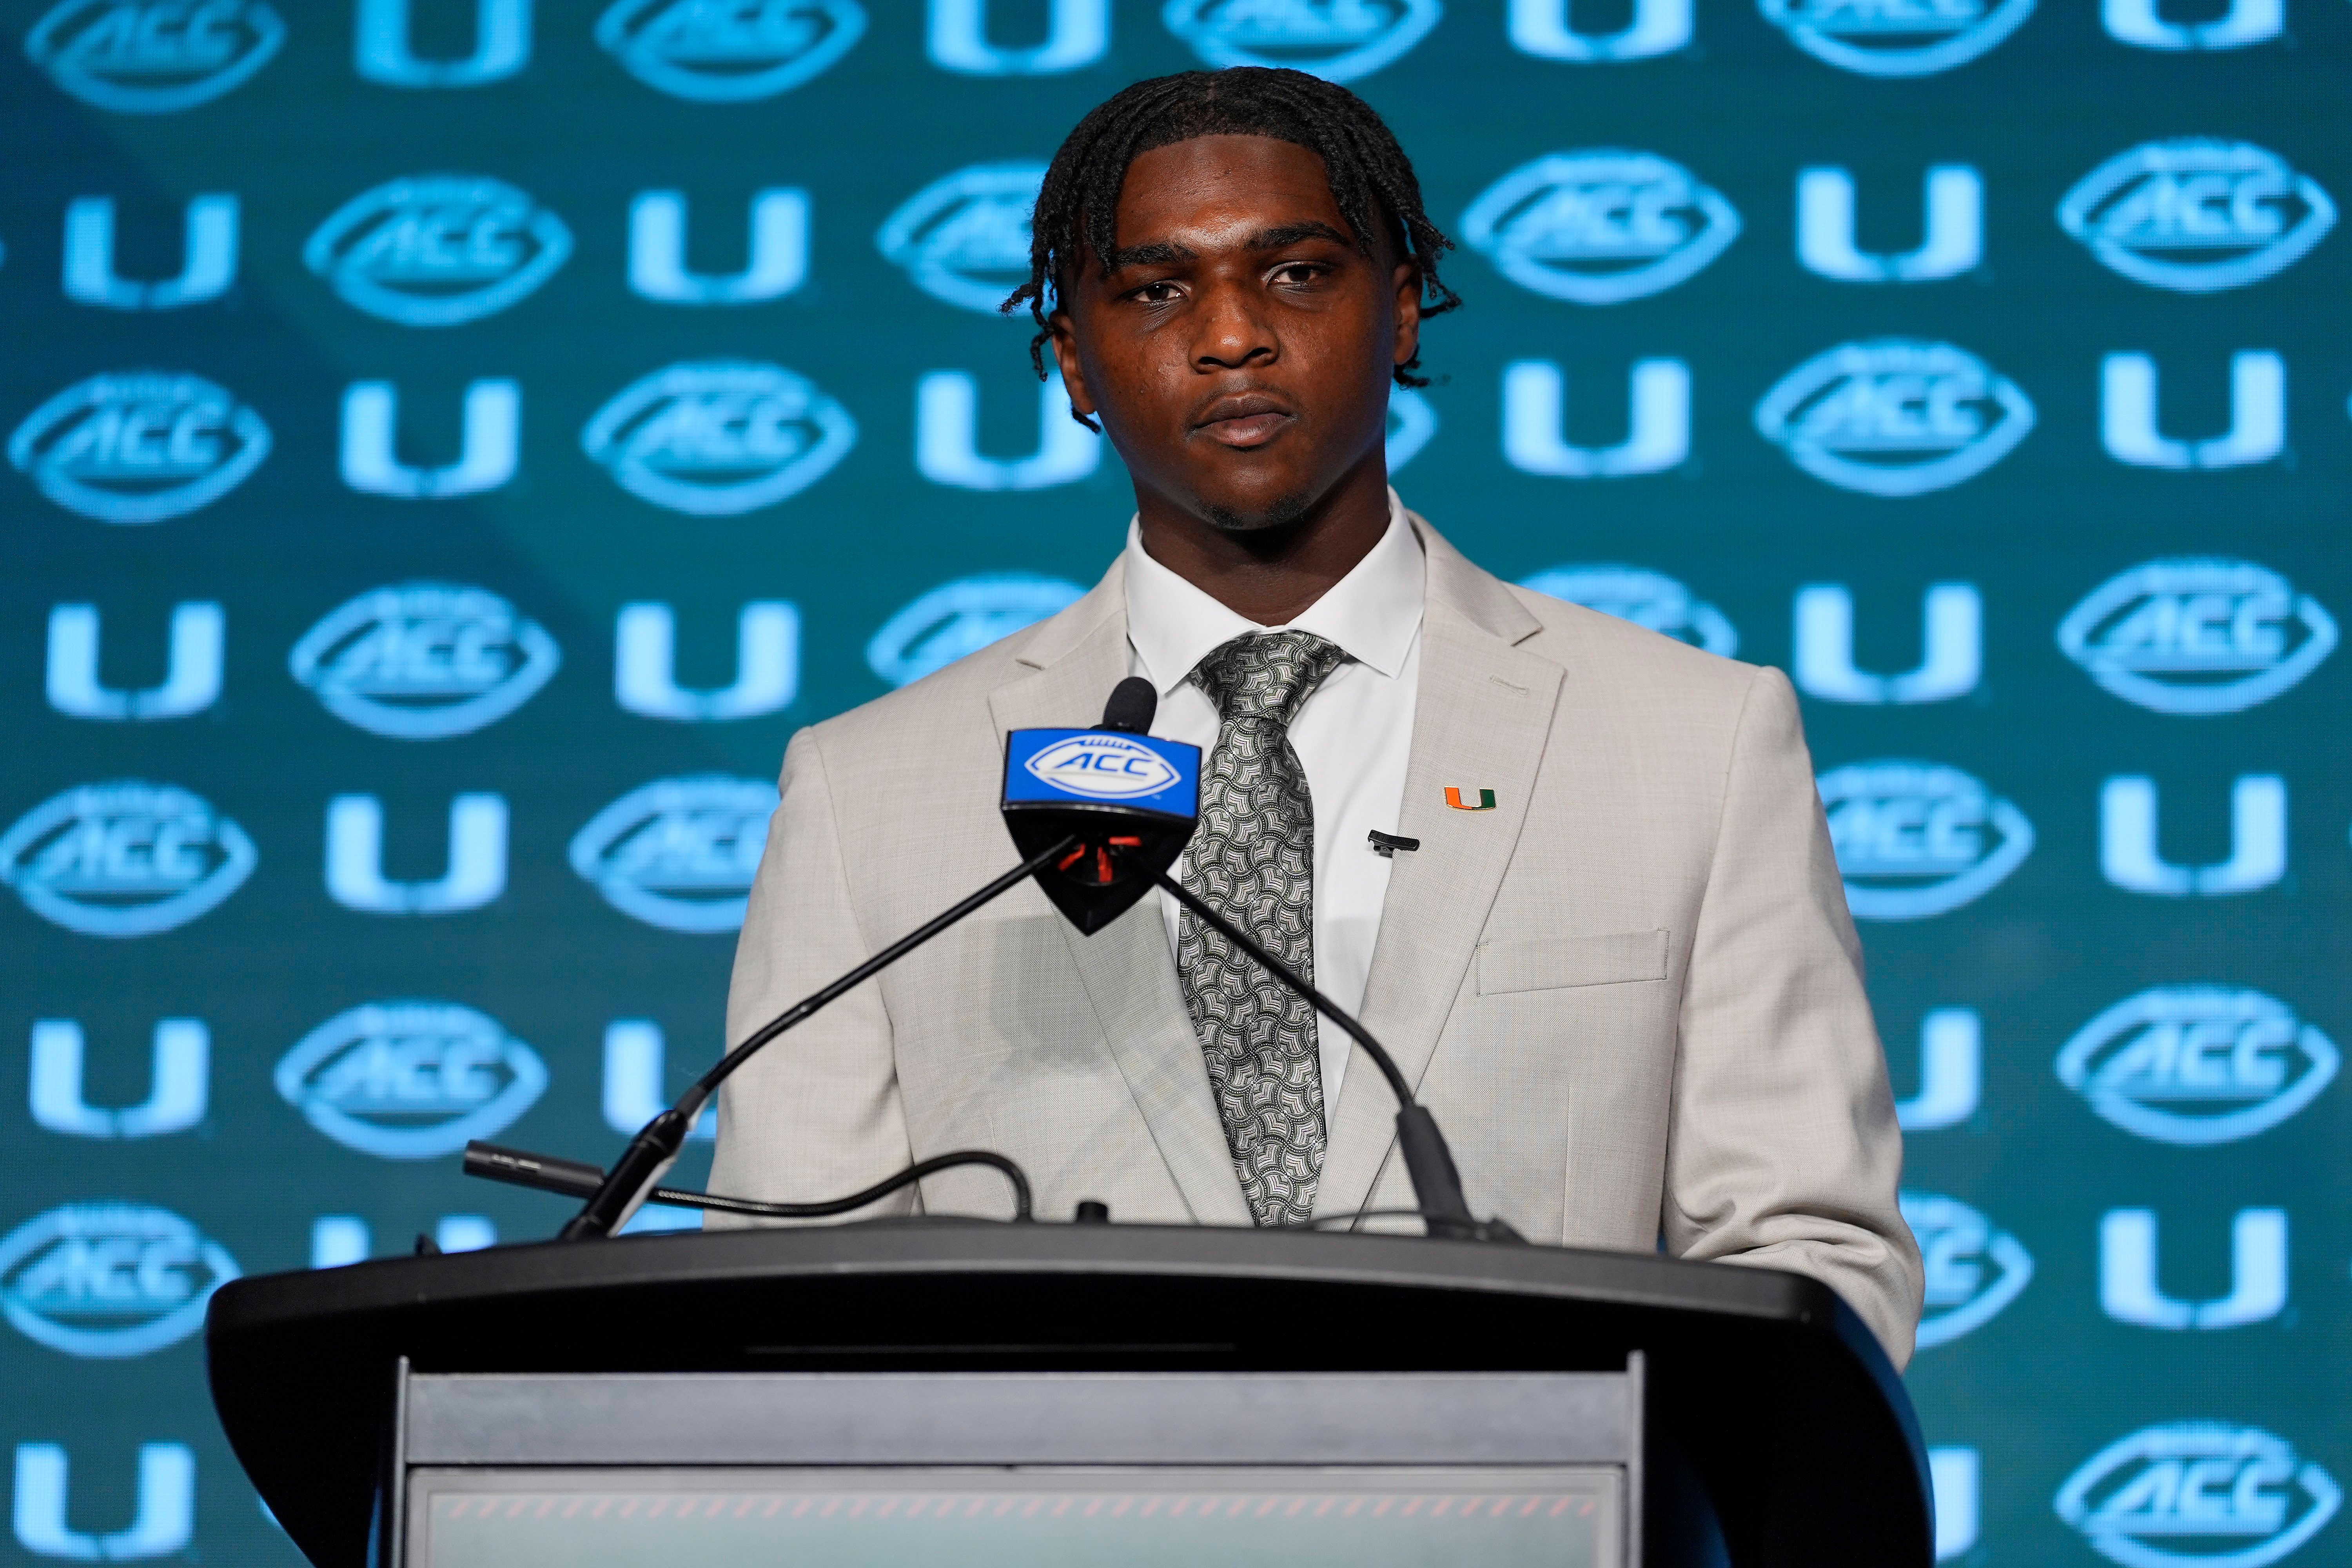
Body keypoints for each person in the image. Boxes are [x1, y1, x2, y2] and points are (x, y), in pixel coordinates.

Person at [712, 67, 1923, 1366]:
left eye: (1294, 273)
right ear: (1072, 360)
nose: (1231, 335)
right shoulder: (870, 793)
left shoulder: (1693, 741)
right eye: (1155, 290)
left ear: (1401, 309)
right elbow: (787, 1304)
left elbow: (1813, 1259)